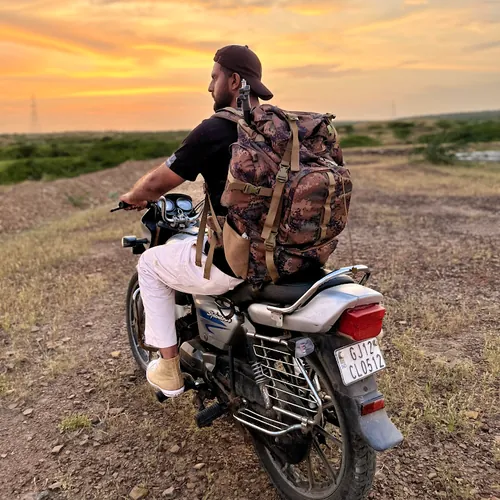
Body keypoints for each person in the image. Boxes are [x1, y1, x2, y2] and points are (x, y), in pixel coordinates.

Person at [119, 45, 274, 398]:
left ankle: (169, 369)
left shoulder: (216, 129)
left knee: (150, 263)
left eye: (214, 77)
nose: (209, 86)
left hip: (239, 259)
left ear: (233, 81)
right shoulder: (278, 128)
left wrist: (133, 196)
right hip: (285, 253)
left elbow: (157, 183)